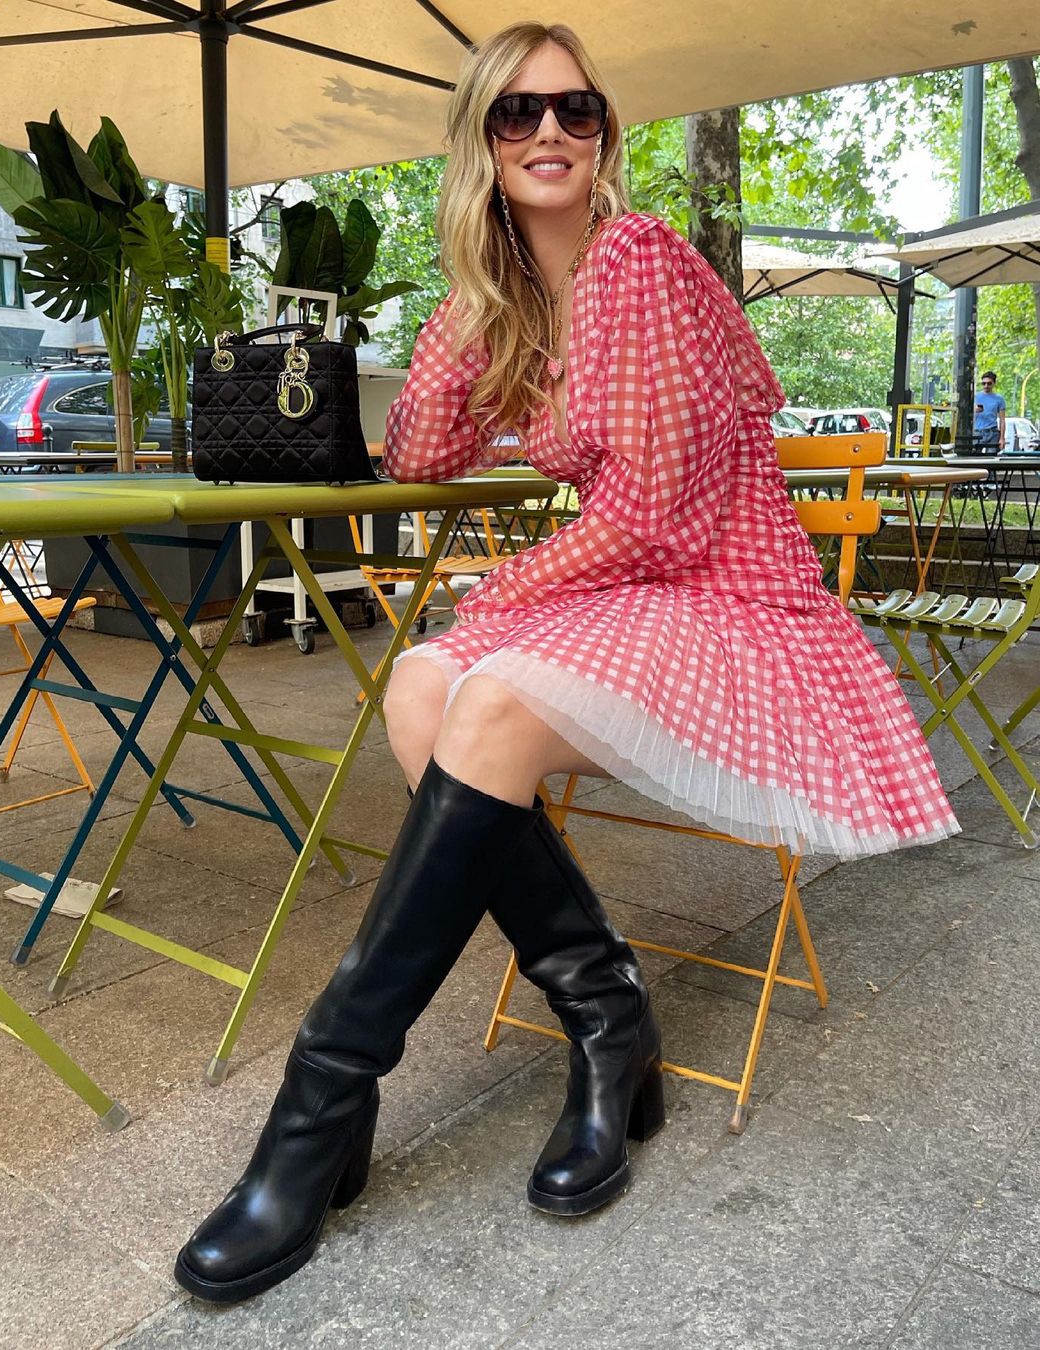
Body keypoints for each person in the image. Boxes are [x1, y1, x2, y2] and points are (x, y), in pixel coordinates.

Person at [174, 21, 959, 1304]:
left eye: (576, 110)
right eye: (516, 114)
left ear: (604, 136)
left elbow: (653, 514)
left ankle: (317, 1112)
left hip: (725, 589)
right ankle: (606, 1016)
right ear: (481, 141)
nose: (549, 131)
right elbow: (421, 452)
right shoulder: (520, 301)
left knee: (481, 698)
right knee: (421, 689)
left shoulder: (638, 258)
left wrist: (500, 589)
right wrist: (473, 288)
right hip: (632, 590)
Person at [974, 370, 1006, 453]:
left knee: (992, 456)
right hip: (977, 432)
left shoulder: (999, 399)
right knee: (974, 456)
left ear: (994, 383)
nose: (986, 386)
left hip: (993, 432)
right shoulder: (975, 397)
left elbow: (1002, 420)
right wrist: (974, 411)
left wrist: (1002, 438)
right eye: (983, 383)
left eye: (989, 383)